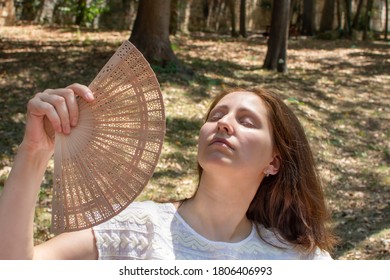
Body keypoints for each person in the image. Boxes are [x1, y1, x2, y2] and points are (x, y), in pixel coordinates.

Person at [0, 83, 336, 260]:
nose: (223, 124)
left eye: (246, 121)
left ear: (274, 162)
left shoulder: (296, 258)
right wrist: (34, 152)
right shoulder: (134, 231)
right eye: (216, 115)